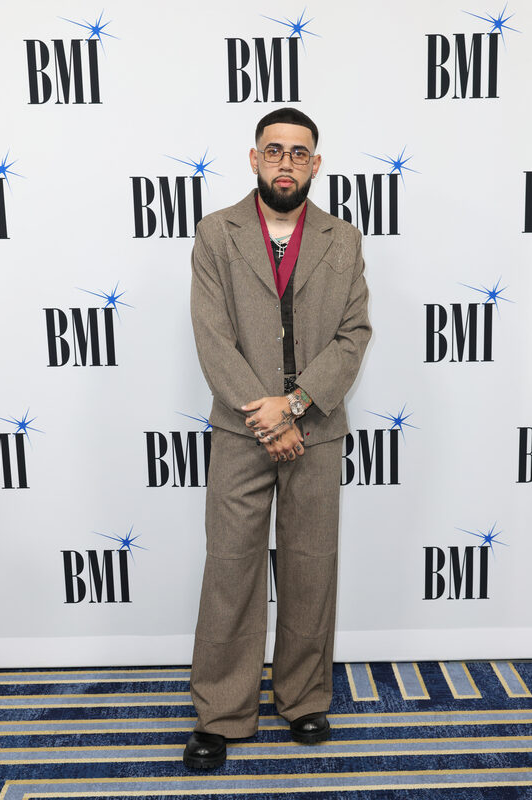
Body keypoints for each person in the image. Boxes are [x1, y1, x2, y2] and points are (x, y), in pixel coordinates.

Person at [184, 107, 371, 770]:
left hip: (315, 428)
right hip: (241, 430)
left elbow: (353, 336)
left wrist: (294, 406)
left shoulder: (344, 239)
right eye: (274, 150)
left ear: (315, 164)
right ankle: (221, 713)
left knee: (310, 567)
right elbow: (212, 336)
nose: (285, 163)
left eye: (298, 153)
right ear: (254, 158)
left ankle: (304, 699)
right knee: (230, 568)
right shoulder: (216, 233)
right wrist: (265, 416)